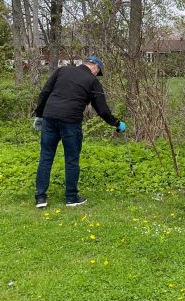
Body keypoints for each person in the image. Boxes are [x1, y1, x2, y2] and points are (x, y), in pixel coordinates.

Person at [32, 55, 126, 208]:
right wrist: (116, 123)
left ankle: (41, 198)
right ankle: (71, 197)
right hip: (71, 122)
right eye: (98, 72)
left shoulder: (61, 71)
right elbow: (102, 109)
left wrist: (40, 115)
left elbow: (45, 92)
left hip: (50, 118)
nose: (97, 75)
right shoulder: (92, 81)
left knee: (46, 157)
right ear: (95, 67)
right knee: (72, 159)